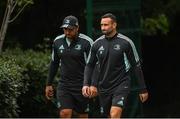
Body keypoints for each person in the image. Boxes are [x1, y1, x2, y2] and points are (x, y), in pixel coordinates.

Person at [82, 13, 149, 118]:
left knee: (115, 113)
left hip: (121, 84)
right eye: (101, 25)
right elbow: (90, 65)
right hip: (103, 86)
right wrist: (87, 84)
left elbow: (136, 65)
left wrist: (143, 89)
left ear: (114, 25)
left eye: (106, 25)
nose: (103, 28)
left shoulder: (126, 42)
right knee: (109, 116)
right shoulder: (96, 44)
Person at [45, 15, 97, 118]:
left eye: (70, 29)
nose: (67, 32)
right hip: (65, 85)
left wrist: (93, 85)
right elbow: (54, 63)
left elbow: (93, 66)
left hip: (83, 85)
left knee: (82, 116)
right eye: (65, 29)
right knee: (64, 113)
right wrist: (48, 84)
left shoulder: (87, 42)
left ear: (77, 28)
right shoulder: (57, 41)